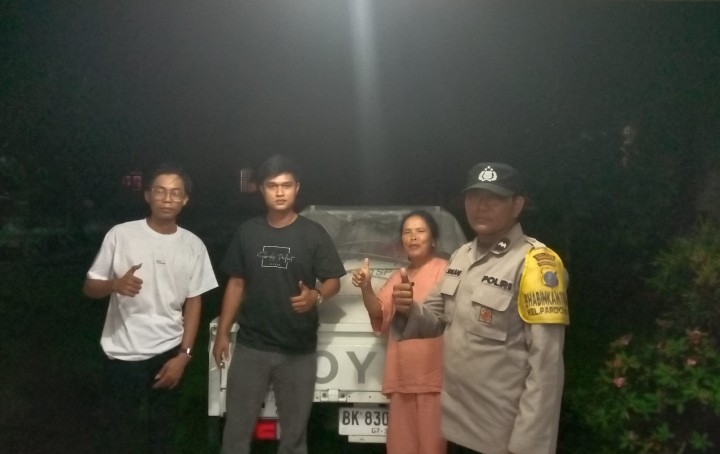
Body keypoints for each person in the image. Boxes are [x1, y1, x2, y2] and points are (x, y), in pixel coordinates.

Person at [392, 162, 569, 454]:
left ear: (517, 205)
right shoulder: (462, 257)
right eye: (474, 196)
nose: (481, 206)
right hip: (456, 428)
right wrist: (408, 308)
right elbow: (434, 319)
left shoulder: (535, 264)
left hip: (502, 438)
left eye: (494, 197)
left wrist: (527, 446)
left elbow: (546, 368)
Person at [212, 154, 346, 454]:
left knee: (294, 438)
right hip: (252, 347)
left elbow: (333, 281)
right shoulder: (248, 232)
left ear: (297, 188)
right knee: (235, 433)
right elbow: (236, 284)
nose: (280, 192)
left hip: (298, 351)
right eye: (272, 186)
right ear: (262, 189)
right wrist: (222, 333)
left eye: (286, 185)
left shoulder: (313, 233)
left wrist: (316, 296)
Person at [83, 163, 218, 453]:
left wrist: (184, 356)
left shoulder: (193, 245)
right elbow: (90, 287)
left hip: (168, 353)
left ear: (185, 200)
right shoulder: (121, 235)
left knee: (163, 433)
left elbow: (194, 302)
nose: (168, 198)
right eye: (160, 191)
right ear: (147, 195)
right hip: (122, 353)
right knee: (120, 433)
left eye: (176, 193)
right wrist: (114, 285)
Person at [351, 210, 448, 454]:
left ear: (433, 239)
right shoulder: (398, 276)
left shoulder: (446, 271)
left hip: (434, 381)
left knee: (432, 449)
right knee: (399, 448)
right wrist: (366, 287)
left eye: (420, 231)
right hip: (402, 377)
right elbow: (379, 312)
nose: (413, 237)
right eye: (407, 232)